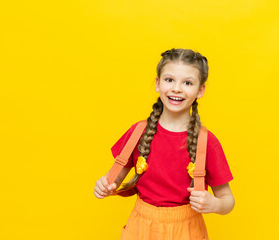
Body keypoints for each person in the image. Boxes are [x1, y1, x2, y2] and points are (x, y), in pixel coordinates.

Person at [94, 48, 235, 240]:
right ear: (157, 84)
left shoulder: (207, 142)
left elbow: (228, 200)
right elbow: (114, 179)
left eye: (187, 82)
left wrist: (215, 205)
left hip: (187, 231)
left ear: (200, 90)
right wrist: (105, 185)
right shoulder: (138, 132)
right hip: (140, 228)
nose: (177, 88)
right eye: (169, 80)